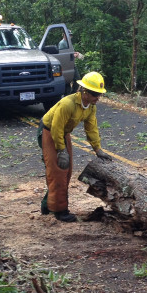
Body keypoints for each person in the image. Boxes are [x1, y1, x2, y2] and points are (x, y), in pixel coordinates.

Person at [38, 71, 112, 222]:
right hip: (48, 131)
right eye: (94, 94)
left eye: (99, 95)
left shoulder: (91, 107)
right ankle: (60, 211)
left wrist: (97, 149)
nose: (97, 98)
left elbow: (91, 128)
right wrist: (61, 150)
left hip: (63, 133)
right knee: (59, 170)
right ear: (84, 91)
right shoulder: (67, 104)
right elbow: (56, 128)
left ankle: (47, 205)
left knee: (66, 170)